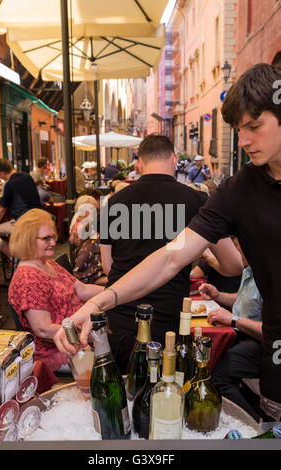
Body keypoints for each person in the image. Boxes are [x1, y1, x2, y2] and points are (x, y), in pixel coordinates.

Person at [54, 63, 281, 421]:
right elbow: (171, 258)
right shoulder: (237, 190)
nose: (245, 140)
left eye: (254, 126)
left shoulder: (118, 203)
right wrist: (98, 300)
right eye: (239, 129)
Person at [97, 134, 208, 372]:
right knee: (166, 396)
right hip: (168, 321)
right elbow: (231, 265)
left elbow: (108, 266)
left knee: (122, 400)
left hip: (120, 319)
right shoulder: (196, 199)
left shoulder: (113, 202)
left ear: (139, 163)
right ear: (175, 158)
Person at [8, 209, 103, 373]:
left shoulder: (46, 263)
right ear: (28, 240)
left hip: (79, 335)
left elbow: (83, 289)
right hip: (58, 350)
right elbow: (43, 329)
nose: (53, 242)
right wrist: (85, 334)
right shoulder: (28, 278)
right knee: (114, 355)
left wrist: (113, 291)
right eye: (46, 238)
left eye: (53, 237)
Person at [199, 246, 263, 421]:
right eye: (234, 246)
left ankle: (252, 422)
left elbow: (270, 331)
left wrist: (234, 319)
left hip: (262, 342)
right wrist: (218, 296)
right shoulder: (250, 268)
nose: (236, 251)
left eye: (238, 247)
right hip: (241, 333)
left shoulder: (269, 273)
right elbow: (244, 298)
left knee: (217, 374)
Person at [0, 158, 42, 257]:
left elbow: (1, 209)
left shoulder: (9, 184)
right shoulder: (27, 176)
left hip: (24, 223)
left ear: (2, 173)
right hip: (40, 218)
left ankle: (15, 257)